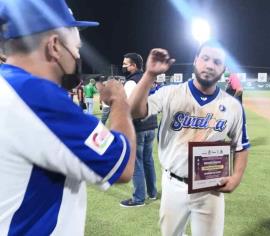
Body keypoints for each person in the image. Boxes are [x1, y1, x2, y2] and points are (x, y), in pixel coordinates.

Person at [0, 0, 136, 235]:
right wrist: (120, 102)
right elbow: (122, 166)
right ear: (54, 45)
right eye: (76, 46)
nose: (76, 55)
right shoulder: (36, 96)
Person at [129, 42, 250, 236]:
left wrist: (236, 177)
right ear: (195, 60)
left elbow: (241, 146)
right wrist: (149, 75)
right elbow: (134, 111)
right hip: (173, 183)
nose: (210, 65)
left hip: (211, 186)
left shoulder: (233, 106)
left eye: (217, 62)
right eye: (205, 58)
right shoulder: (170, 93)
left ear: (223, 69)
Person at [120, 53, 158, 207]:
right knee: (148, 160)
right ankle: (152, 192)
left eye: (125, 63)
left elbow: (129, 106)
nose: (123, 66)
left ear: (134, 65)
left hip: (138, 126)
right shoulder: (147, 78)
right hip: (151, 123)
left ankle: (139, 198)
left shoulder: (131, 82)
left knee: (136, 162)